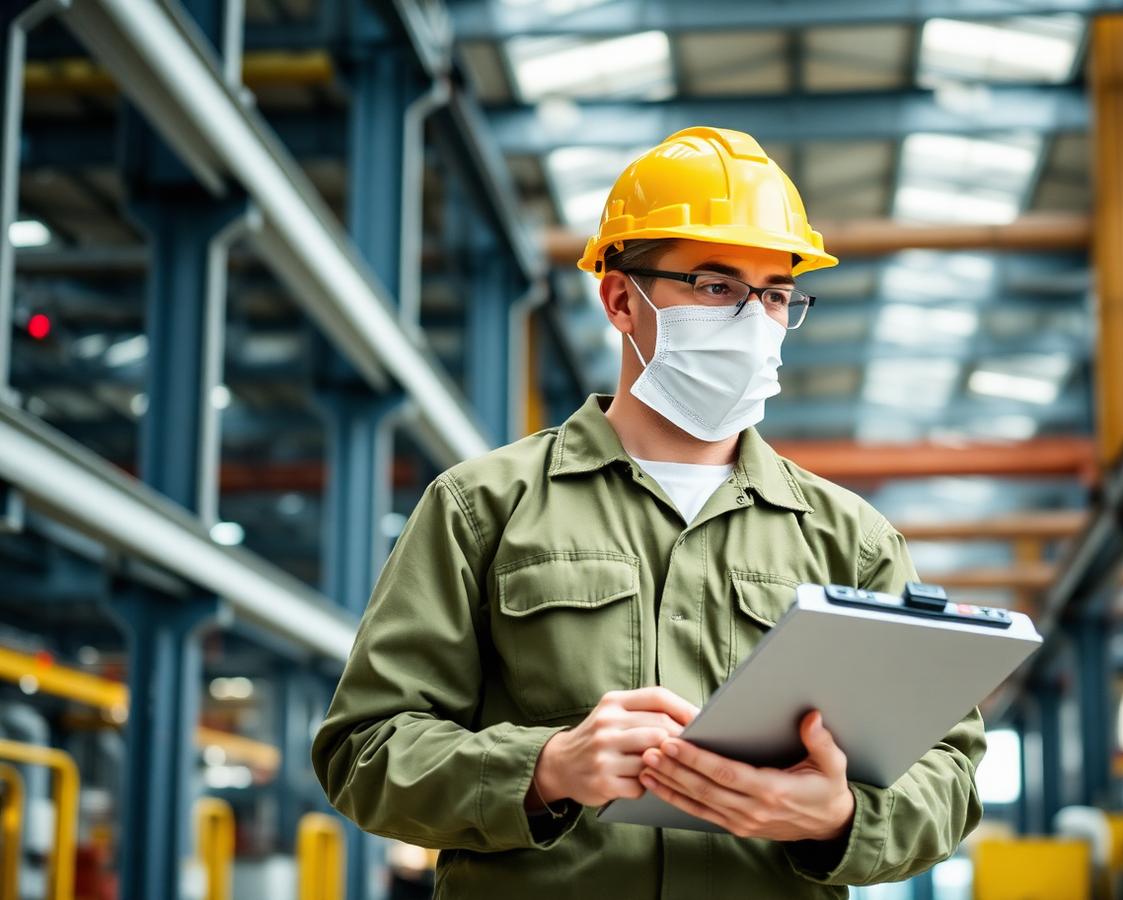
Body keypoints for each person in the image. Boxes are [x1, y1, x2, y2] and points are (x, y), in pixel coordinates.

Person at [311, 126, 987, 899]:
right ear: (620, 299)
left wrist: (840, 816)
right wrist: (546, 767)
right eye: (715, 286)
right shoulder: (483, 508)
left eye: (773, 294)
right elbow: (363, 751)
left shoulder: (850, 541)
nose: (755, 320)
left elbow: (951, 770)